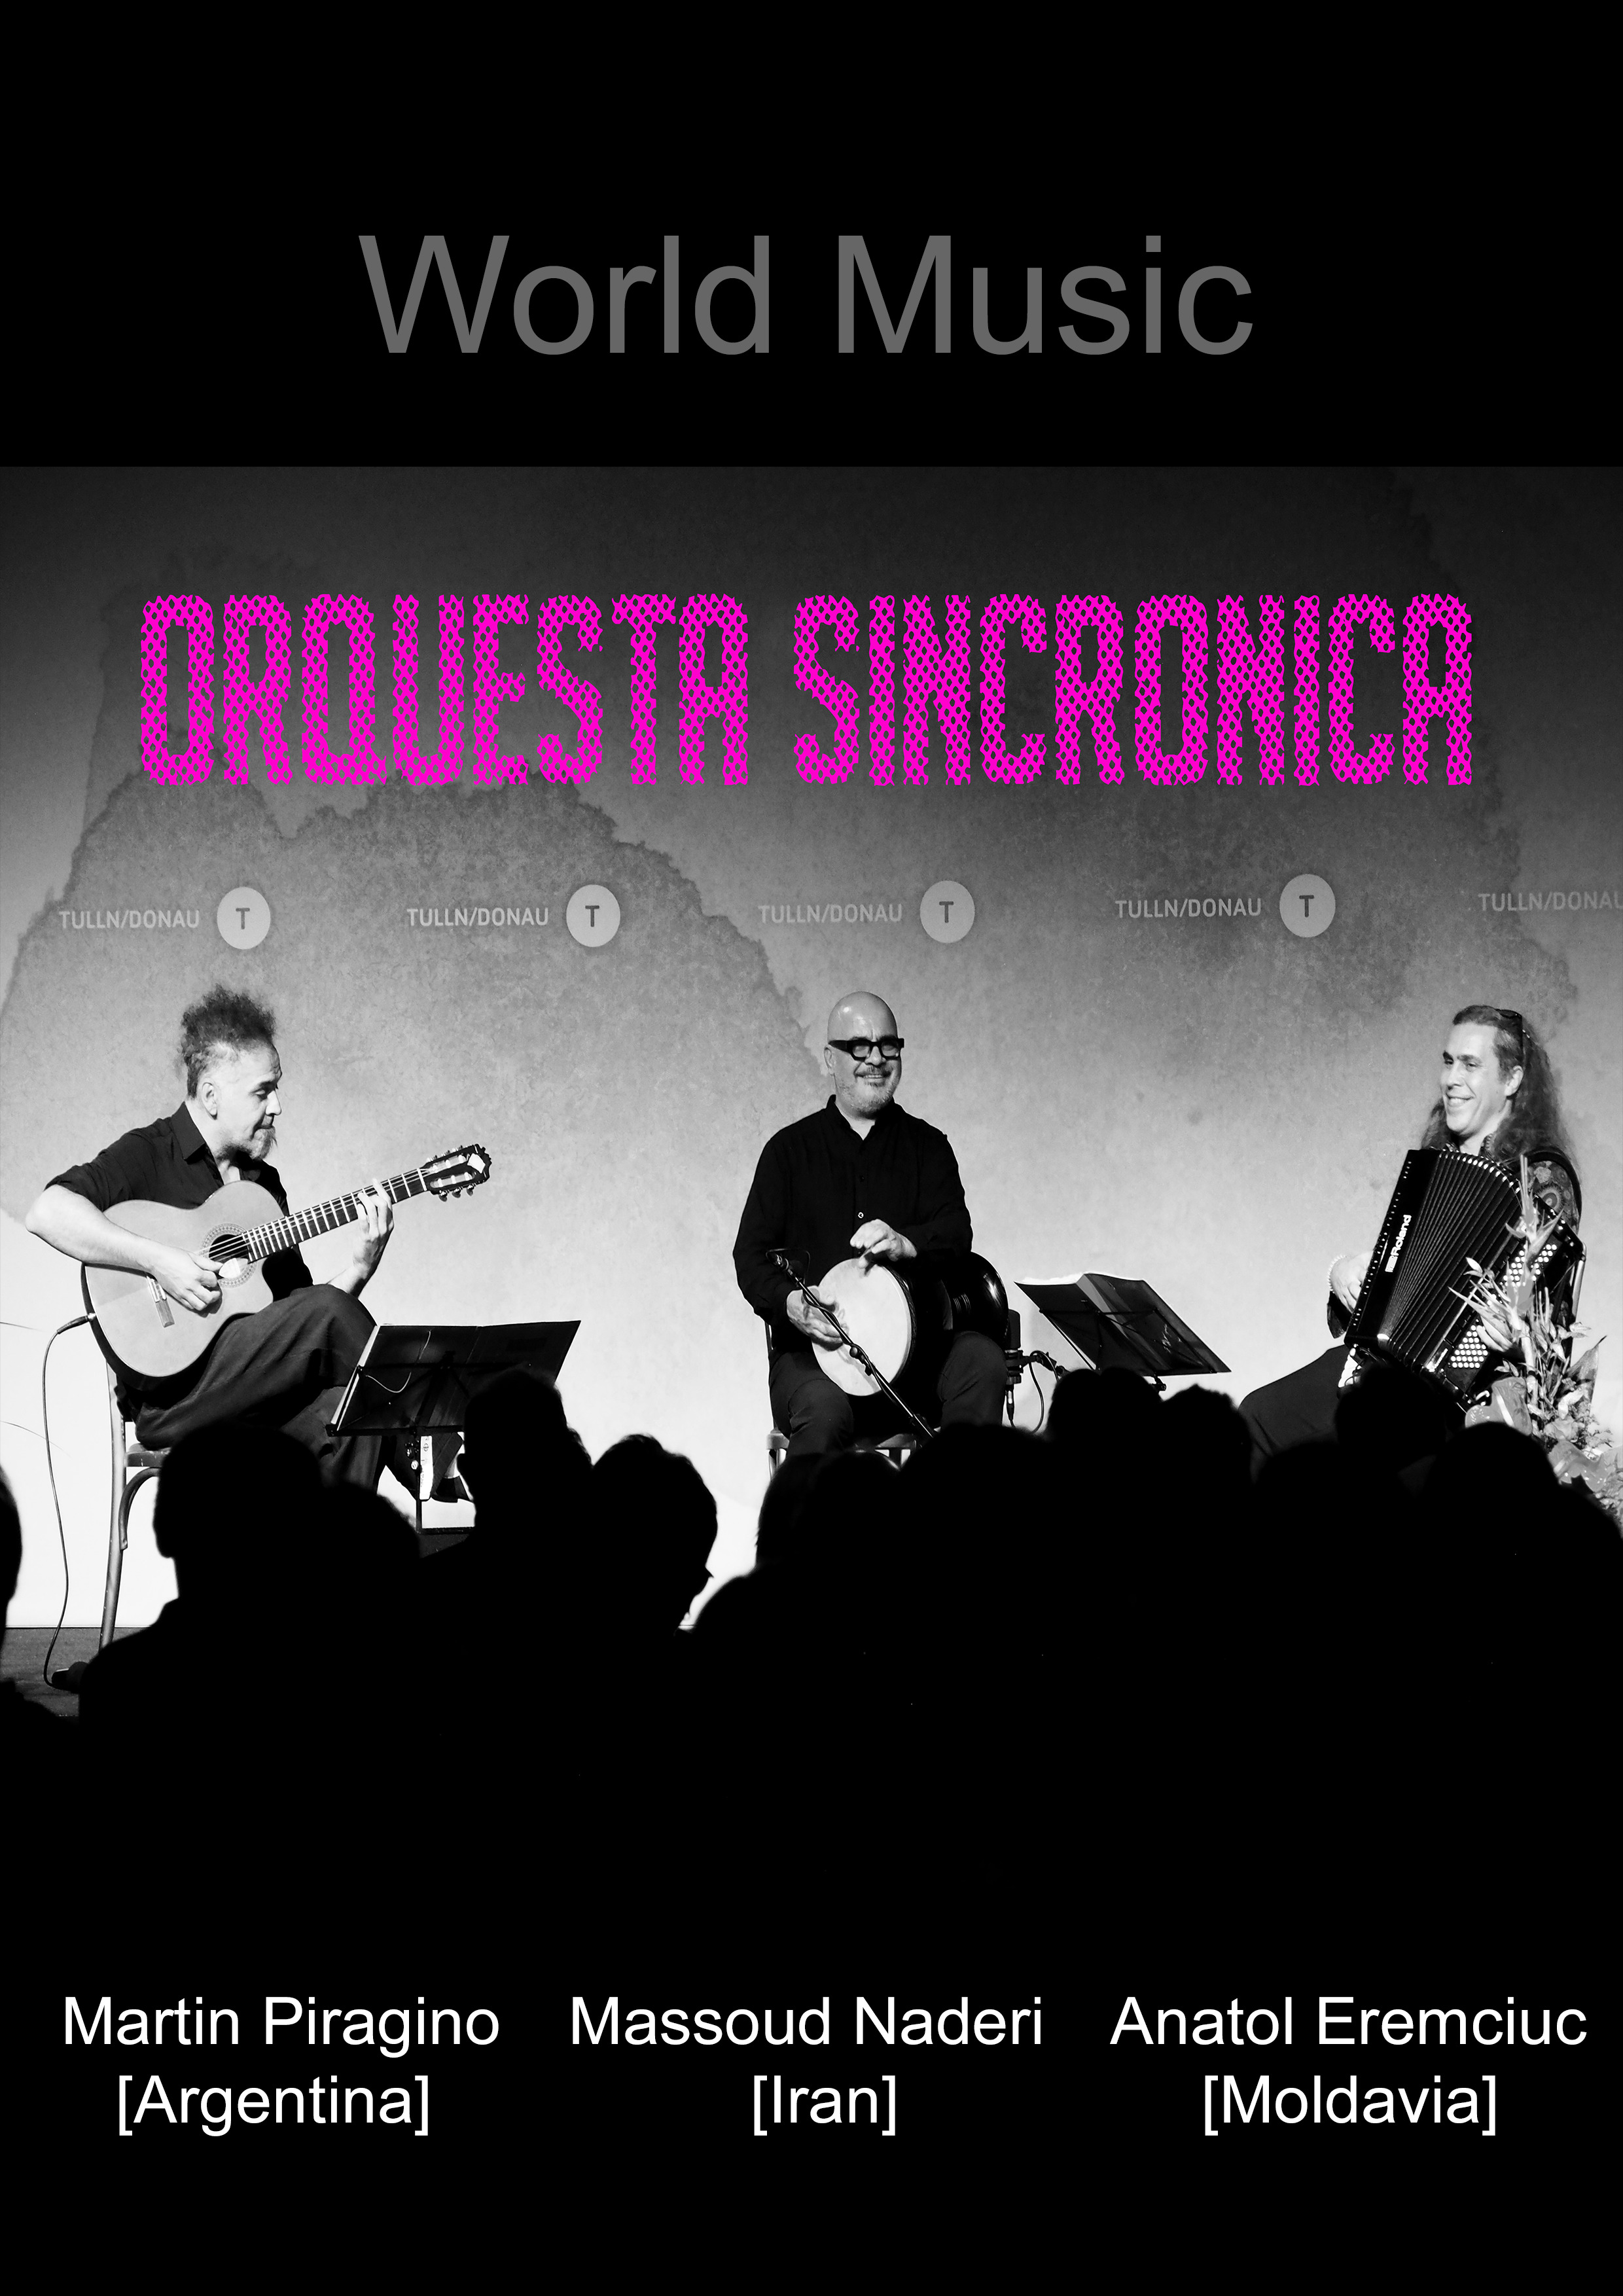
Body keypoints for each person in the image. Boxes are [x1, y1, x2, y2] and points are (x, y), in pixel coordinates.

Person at [24, 984, 397, 1486]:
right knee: (329, 1314)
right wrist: (159, 1262)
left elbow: (298, 1323)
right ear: (211, 1096)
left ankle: (335, 1539)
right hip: (176, 1398)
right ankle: (431, 1453)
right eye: (263, 1091)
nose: (278, 1106)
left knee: (348, 1415)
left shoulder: (262, 1185)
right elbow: (47, 1212)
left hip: (258, 1391)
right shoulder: (150, 1152)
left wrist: (360, 1267)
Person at [1240, 1005, 1582, 1465]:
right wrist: (1343, 1272)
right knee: (1259, 1416)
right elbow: (1400, 1277)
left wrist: (1509, 1330)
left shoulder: (1543, 1179)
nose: (1451, 1079)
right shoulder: (1434, 1163)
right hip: (1381, 1367)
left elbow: (1543, 1313)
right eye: (1448, 1061)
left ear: (1512, 1080)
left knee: (1342, 1455)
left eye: (1471, 1065)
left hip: (1469, 1397)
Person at [732, 990, 1005, 1459]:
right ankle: (809, 1511)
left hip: (918, 1358)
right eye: (860, 1046)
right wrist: (791, 1304)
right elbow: (751, 1257)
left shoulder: (929, 1147)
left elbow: (957, 1233)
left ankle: (953, 1504)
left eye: (888, 1046)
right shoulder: (788, 1153)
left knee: (982, 1363)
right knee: (824, 1413)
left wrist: (907, 1243)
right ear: (830, 1058)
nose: (876, 1059)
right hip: (816, 1361)